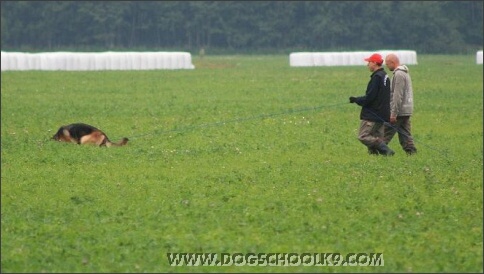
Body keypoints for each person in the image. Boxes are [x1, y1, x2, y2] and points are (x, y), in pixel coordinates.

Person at [349, 53, 395, 156]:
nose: (367, 65)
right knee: (375, 136)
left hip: (373, 114)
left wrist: (356, 100)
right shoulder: (385, 76)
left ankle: (386, 150)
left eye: (369, 62)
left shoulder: (377, 77)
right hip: (382, 114)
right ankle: (375, 157)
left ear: (374, 63)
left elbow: (370, 97)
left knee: (363, 136)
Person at [383, 54, 417, 155]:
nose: (386, 66)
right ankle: (412, 154)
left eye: (387, 63)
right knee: (405, 135)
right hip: (406, 110)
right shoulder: (405, 73)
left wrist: (393, 113)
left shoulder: (399, 74)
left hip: (399, 111)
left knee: (384, 133)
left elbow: (397, 96)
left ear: (393, 62)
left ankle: (377, 152)